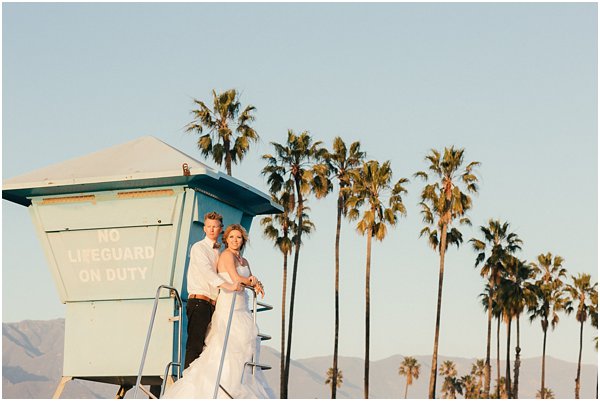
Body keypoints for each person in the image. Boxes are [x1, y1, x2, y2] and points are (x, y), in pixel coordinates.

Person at [163, 224, 274, 399]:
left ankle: (239, 384)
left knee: (246, 343)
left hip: (242, 306)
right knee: (226, 344)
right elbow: (237, 278)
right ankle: (220, 387)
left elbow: (247, 278)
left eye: (238, 237)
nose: (235, 240)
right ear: (226, 239)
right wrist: (251, 281)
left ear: (243, 240)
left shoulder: (245, 261)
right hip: (229, 305)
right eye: (231, 237)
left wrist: (256, 283)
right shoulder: (226, 255)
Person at [184, 212, 241, 370]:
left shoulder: (220, 252)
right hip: (199, 301)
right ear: (204, 228)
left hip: (214, 304)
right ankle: (187, 384)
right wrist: (228, 286)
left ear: (221, 229)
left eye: (215, 227)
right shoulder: (199, 248)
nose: (211, 230)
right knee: (195, 345)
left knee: (208, 346)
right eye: (208, 226)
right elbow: (207, 272)